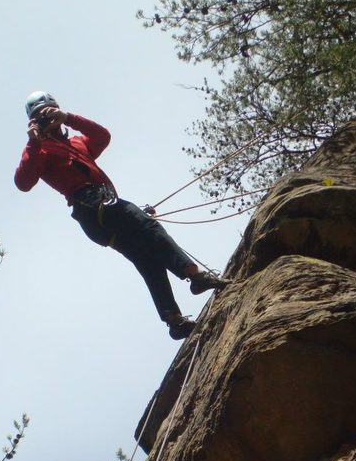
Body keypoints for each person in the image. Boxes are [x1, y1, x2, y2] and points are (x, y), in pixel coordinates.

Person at [14, 91, 228, 340]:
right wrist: (33, 142)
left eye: (50, 112)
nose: (47, 118)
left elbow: (102, 136)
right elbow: (23, 182)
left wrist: (68, 117)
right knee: (150, 228)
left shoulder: (77, 144)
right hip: (92, 206)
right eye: (40, 116)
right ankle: (194, 275)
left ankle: (174, 320)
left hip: (99, 212)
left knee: (147, 257)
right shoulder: (40, 150)